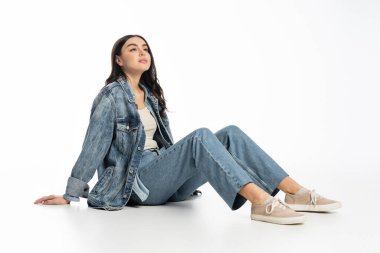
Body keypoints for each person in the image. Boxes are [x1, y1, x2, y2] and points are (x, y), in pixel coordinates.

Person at [34, 34, 342, 225]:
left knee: (230, 133)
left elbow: (166, 147)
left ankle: (296, 192)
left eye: (145, 49)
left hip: (165, 180)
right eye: (132, 49)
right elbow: (94, 145)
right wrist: (71, 193)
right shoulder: (110, 97)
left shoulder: (151, 95)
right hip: (137, 183)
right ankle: (261, 203)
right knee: (200, 137)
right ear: (118, 59)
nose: (142, 53)